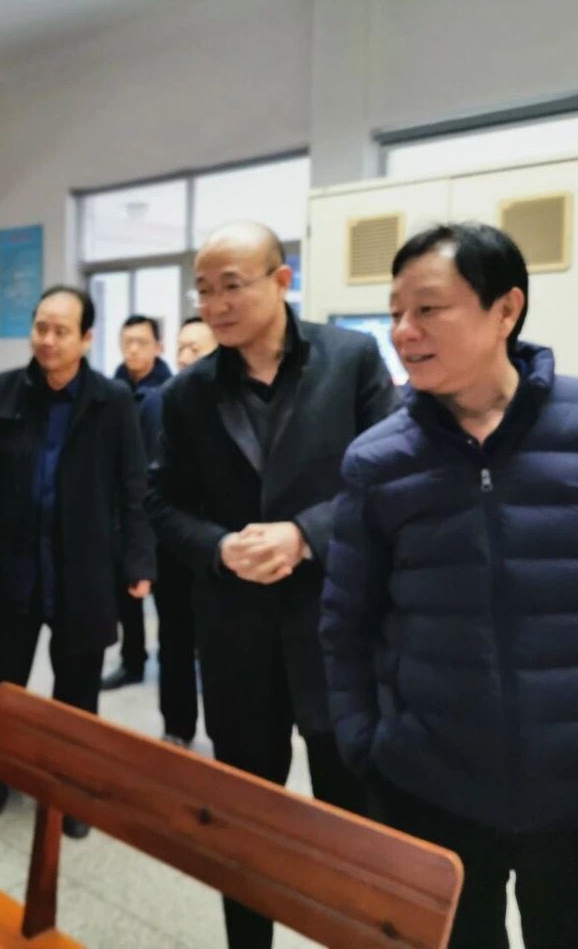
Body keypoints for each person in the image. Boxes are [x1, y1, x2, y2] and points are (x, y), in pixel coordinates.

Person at [321, 223, 578, 949]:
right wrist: (367, 749)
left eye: (428, 309)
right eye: (396, 312)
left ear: (506, 309)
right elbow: (347, 622)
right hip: (432, 788)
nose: (404, 331)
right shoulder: (378, 460)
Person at [146, 221, 399, 949]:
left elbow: (388, 477)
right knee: (245, 826)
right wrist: (220, 548)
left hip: (336, 632)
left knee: (351, 822)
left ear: (281, 281)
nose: (214, 305)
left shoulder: (350, 360)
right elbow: (162, 504)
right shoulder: (188, 392)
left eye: (231, 286)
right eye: (203, 290)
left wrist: (305, 535)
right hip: (236, 639)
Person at [0, 285, 155, 839]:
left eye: (61, 331)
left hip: (81, 567)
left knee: (78, 691)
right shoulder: (0, 393)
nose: (47, 340)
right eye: (40, 327)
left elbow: (133, 487)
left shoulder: (112, 401)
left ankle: (73, 790)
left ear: (86, 338)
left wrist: (139, 560)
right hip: (11, 565)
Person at [139, 316, 218, 746]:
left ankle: (227, 734)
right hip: (171, 544)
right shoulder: (158, 402)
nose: (186, 357)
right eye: (181, 348)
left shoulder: (231, 401)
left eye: (196, 349)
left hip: (221, 544)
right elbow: (143, 479)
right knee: (174, 640)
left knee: (221, 644)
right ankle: (176, 727)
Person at [102, 313, 173, 690]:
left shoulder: (169, 393)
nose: (132, 349)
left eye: (141, 342)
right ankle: (132, 661)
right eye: (127, 342)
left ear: (158, 347)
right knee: (126, 590)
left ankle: (172, 663)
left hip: (158, 507)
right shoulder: (112, 390)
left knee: (164, 597)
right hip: (121, 508)